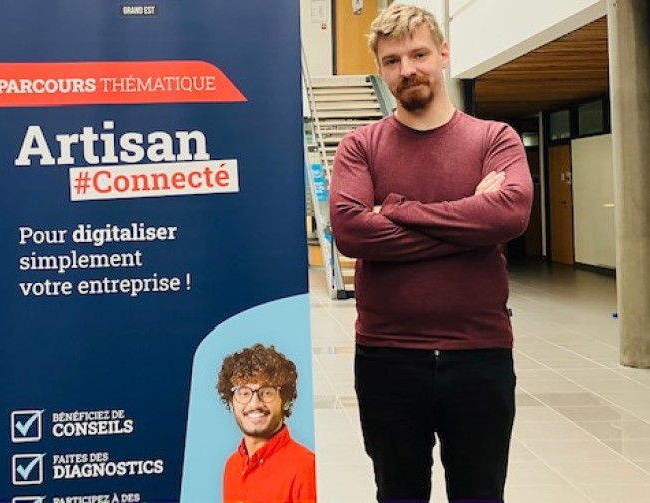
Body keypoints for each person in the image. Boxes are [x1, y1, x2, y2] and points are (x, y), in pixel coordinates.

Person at [329, 3, 533, 503]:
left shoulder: (494, 138)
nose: (407, 69)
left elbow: (509, 215)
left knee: (480, 494)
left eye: (418, 54)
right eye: (392, 60)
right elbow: (351, 232)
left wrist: (397, 210)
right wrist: (470, 221)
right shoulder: (360, 146)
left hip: (479, 355)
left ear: (443, 53)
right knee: (398, 494)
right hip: (387, 358)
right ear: (381, 69)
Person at [216, 343, 316, 503]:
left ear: (285, 401)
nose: (255, 404)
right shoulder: (232, 466)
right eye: (243, 393)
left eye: (267, 392)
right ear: (231, 403)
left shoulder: (306, 469)